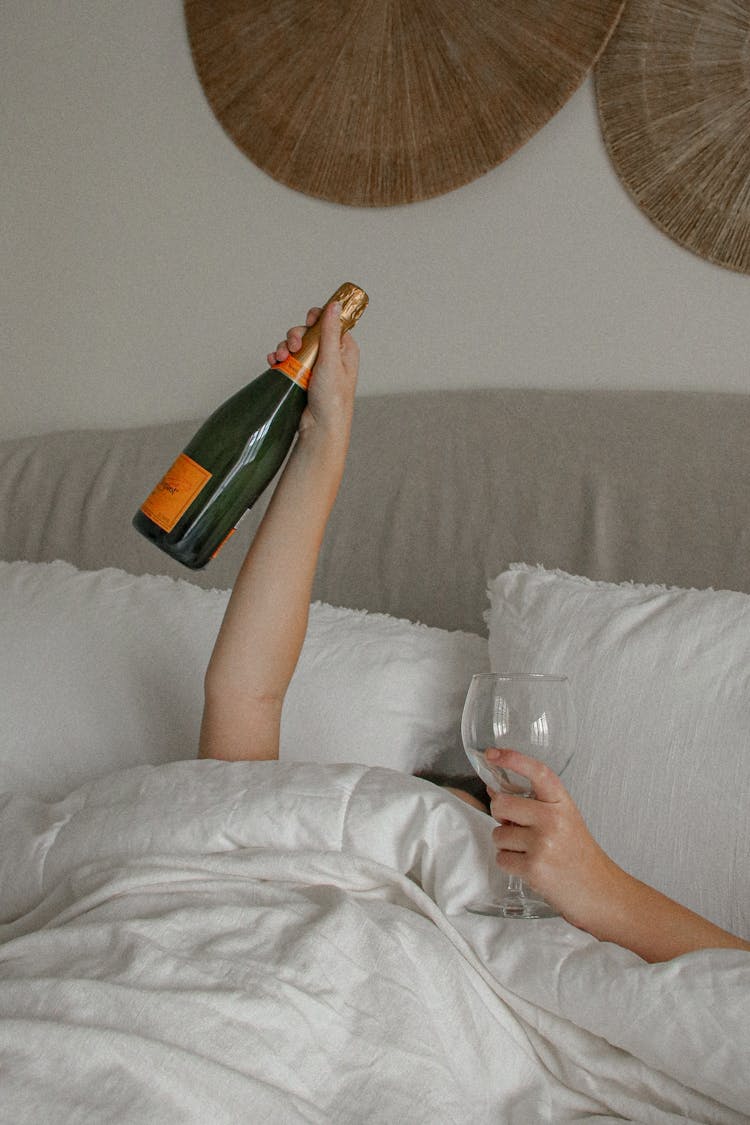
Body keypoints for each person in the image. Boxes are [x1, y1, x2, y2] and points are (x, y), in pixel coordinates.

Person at [198, 302, 750, 965]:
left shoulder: (536, 937)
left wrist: (593, 883)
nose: (426, 838)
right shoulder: (283, 864)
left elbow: (725, 998)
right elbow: (245, 694)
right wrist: (323, 439)